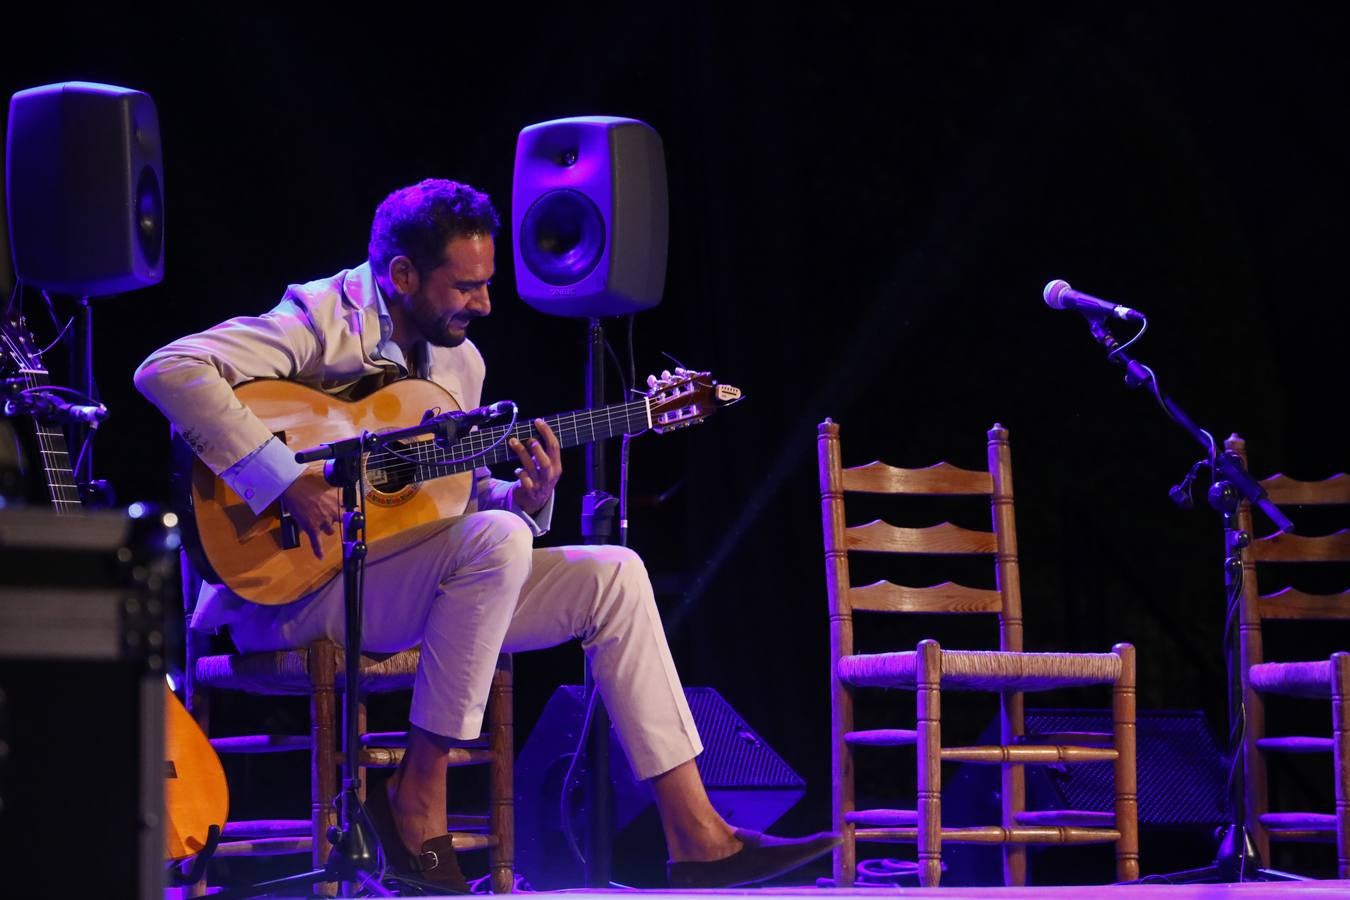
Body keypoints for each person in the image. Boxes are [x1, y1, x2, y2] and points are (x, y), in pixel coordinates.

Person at [135, 178, 837, 891]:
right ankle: (419, 798)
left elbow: (444, 505)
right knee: (498, 540)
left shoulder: (460, 365)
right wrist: (281, 475)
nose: (485, 303)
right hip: (287, 590)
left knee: (614, 571)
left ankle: (698, 837)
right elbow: (168, 370)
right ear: (402, 276)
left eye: (488, 283)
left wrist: (526, 497)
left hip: (396, 586)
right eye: (466, 286)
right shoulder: (323, 317)